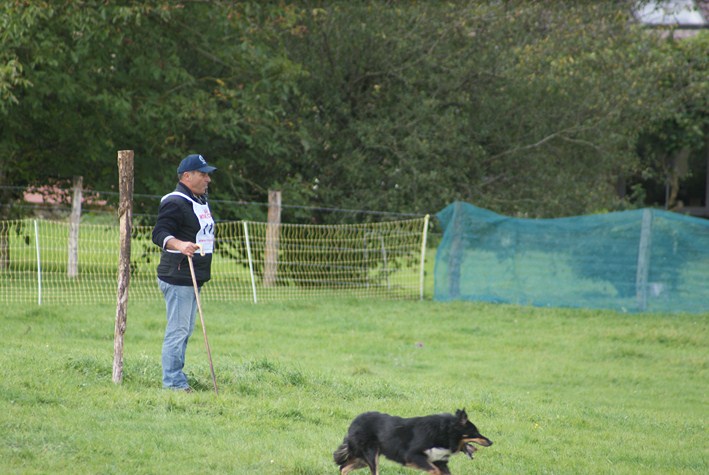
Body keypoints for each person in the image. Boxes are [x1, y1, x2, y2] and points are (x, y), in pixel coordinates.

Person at [152, 154, 217, 391]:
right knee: (178, 331)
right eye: (203, 174)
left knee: (184, 330)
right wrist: (179, 245)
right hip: (178, 276)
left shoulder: (198, 200)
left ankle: (176, 377)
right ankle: (173, 383)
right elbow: (159, 233)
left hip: (193, 277)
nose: (208, 179)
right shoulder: (175, 201)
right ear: (187, 176)